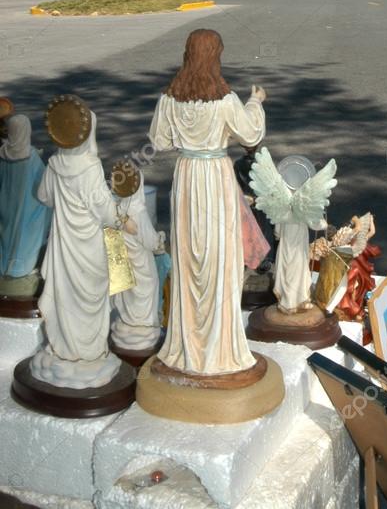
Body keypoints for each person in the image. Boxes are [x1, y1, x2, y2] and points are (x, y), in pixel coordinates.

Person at [149, 28, 266, 375]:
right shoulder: (226, 100)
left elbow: (159, 141)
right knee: (220, 256)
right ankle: (218, 346)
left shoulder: (169, 99)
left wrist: (189, 140)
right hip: (215, 178)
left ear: (188, 54)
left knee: (189, 256)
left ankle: (188, 344)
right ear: (215, 56)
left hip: (186, 177)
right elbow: (251, 134)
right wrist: (256, 100)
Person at [30, 107, 137, 388]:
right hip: (89, 248)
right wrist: (122, 218)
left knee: (64, 296)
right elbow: (105, 213)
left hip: (63, 247)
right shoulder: (90, 169)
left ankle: (64, 348)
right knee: (89, 299)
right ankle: (89, 352)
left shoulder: (54, 164)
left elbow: (43, 197)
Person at [110, 166, 165, 352]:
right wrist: (160, 239)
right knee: (147, 288)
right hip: (142, 263)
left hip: (125, 261)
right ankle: (143, 323)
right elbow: (151, 242)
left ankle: (128, 319)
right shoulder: (138, 213)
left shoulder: (118, 209)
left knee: (129, 292)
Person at [0, 115, 52, 289]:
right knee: (40, 215)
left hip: (5, 210)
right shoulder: (31, 159)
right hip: (27, 214)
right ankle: (21, 266)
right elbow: (44, 190)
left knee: (6, 234)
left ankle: (4, 264)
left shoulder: (2, 154)